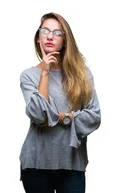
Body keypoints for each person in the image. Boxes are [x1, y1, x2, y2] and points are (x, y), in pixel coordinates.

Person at [19, 12, 101, 193]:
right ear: (38, 39)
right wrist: (45, 72)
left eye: (57, 33)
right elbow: (39, 115)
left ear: (65, 40)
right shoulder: (29, 76)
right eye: (45, 31)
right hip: (36, 164)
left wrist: (64, 117)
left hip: (72, 163)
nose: (50, 36)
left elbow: (94, 116)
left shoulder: (82, 75)